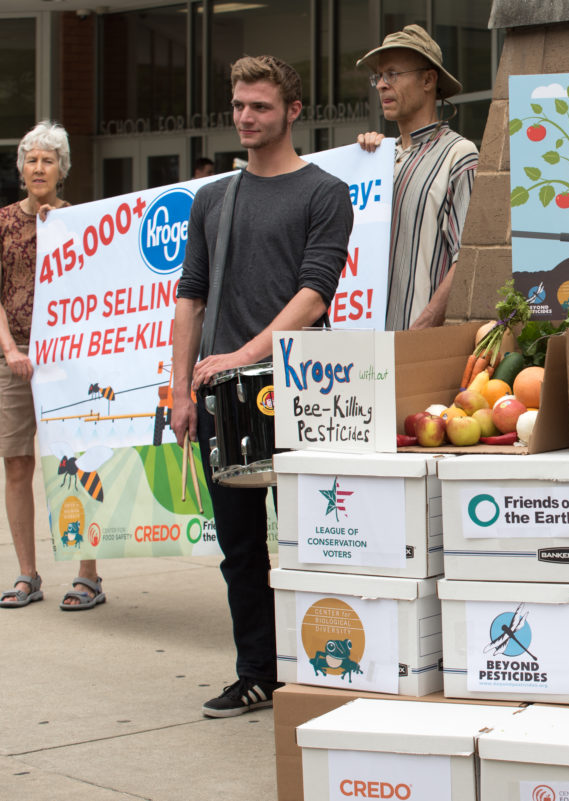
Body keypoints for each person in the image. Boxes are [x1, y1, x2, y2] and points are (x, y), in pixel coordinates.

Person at [171, 55, 352, 717]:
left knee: (316, 544)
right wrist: (180, 390)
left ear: (293, 111)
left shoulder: (324, 192)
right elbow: (190, 297)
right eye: (239, 105)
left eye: (261, 107)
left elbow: (315, 293)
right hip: (221, 401)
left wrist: (241, 355)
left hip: (303, 392)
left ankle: (326, 669)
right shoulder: (212, 199)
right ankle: (257, 673)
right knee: (240, 548)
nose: (246, 117)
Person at [0, 121, 107, 612]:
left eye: (48, 160)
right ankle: (27, 574)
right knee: (17, 462)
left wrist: (59, 227)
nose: (39, 167)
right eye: (32, 159)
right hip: (15, 358)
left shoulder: (81, 221)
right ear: (21, 168)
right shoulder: (4, 222)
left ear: (62, 170)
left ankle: (88, 574)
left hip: (69, 361)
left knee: (77, 462)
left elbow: (99, 289)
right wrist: (10, 351)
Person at [355, 24, 477, 330]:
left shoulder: (458, 154)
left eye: (393, 74)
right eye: (378, 76)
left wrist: (422, 328)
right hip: (367, 340)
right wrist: (361, 164)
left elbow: (467, 257)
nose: (382, 85)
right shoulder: (380, 158)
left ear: (428, 80)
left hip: (418, 341)